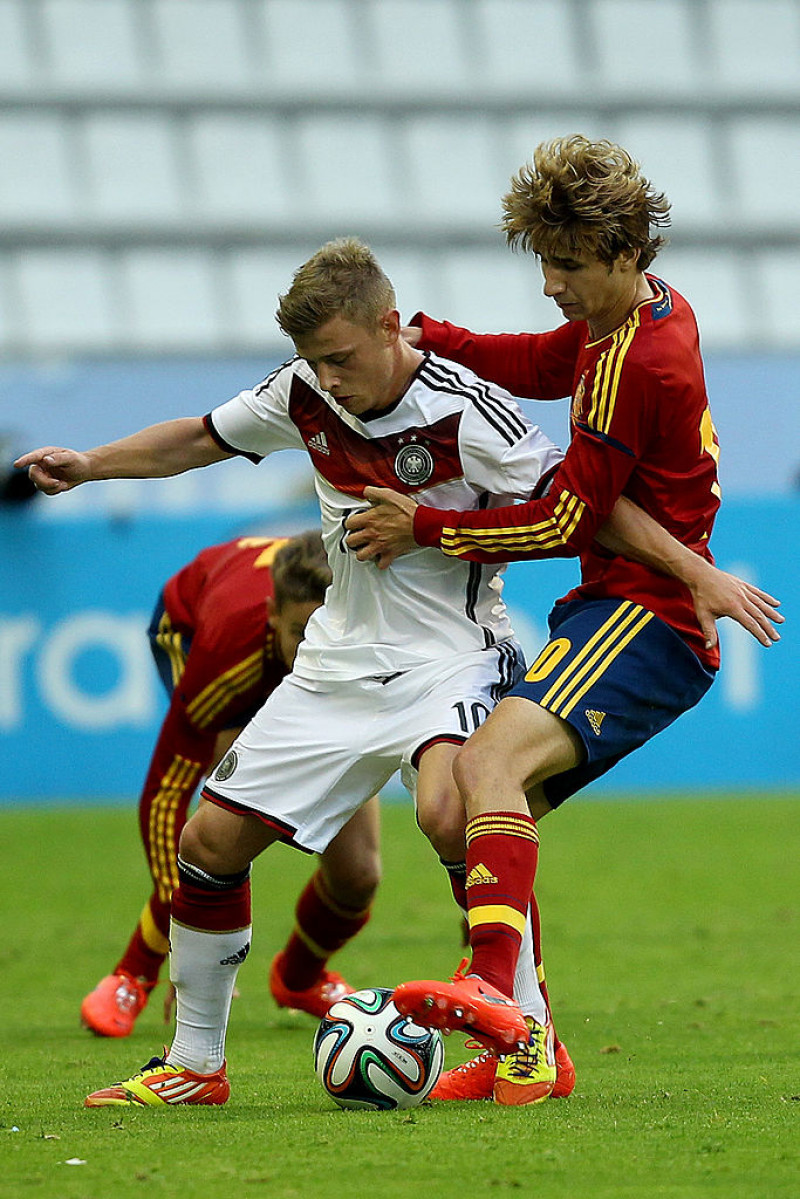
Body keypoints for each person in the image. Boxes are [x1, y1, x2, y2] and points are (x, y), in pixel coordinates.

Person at [16, 237, 776, 1111]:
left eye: (341, 357)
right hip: (336, 660)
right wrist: (91, 463)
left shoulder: (472, 415)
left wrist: (694, 571)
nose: (328, 378)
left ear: (390, 326)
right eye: (314, 362)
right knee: (207, 847)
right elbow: (201, 436)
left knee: (455, 810)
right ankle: (195, 1063)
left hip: (451, 655)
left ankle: (525, 1033)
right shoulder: (301, 393)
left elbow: (592, 513)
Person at [344, 136, 784, 1105]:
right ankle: (530, 1053)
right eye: (541, 260)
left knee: (484, 765)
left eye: (568, 264)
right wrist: (440, 340)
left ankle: (487, 991)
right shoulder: (636, 316)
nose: (550, 283)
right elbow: (549, 360)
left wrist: (425, 522)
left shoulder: (641, 356)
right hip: (622, 603)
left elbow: (563, 516)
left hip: (647, 617)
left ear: (627, 251)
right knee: (458, 811)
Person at [80, 531, 380, 1037]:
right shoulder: (227, 658)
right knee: (222, 834)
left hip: (317, 687)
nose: (315, 647)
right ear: (273, 616)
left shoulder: (368, 636)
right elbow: (166, 794)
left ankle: (300, 978)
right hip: (192, 626)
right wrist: (189, 935)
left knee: (358, 874)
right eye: (302, 632)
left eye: (328, 630)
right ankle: (132, 974)